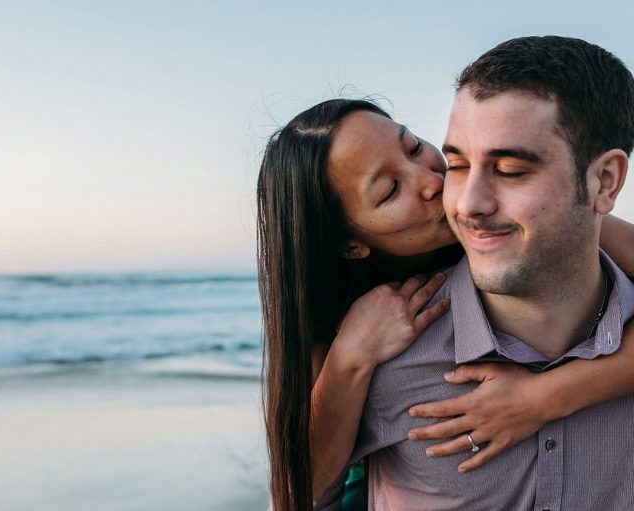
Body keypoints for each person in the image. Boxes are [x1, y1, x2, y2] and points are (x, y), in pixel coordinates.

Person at [256, 39, 634, 511]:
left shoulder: (583, 233)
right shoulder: (342, 340)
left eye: (418, 149)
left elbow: (585, 225)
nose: (439, 184)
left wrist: (545, 397)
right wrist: (351, 357)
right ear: (351, 244)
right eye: (391, 190)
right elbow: (297, 495)